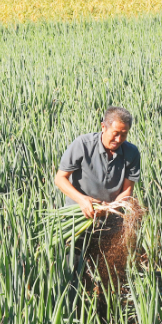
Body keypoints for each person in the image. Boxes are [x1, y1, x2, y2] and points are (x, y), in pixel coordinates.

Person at [54, 106, 141, 277]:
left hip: (111, 221)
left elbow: (128, 190)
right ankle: (73, 301)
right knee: (74, 270)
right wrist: (82, 200)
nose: (119, 139)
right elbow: (60, 179)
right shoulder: (83, 145)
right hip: (78, 220)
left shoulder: (131, 153)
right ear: (103, 127)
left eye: (124, 134)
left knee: (108, 273)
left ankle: (104, 302)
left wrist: (110, 207)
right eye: (115, 133)